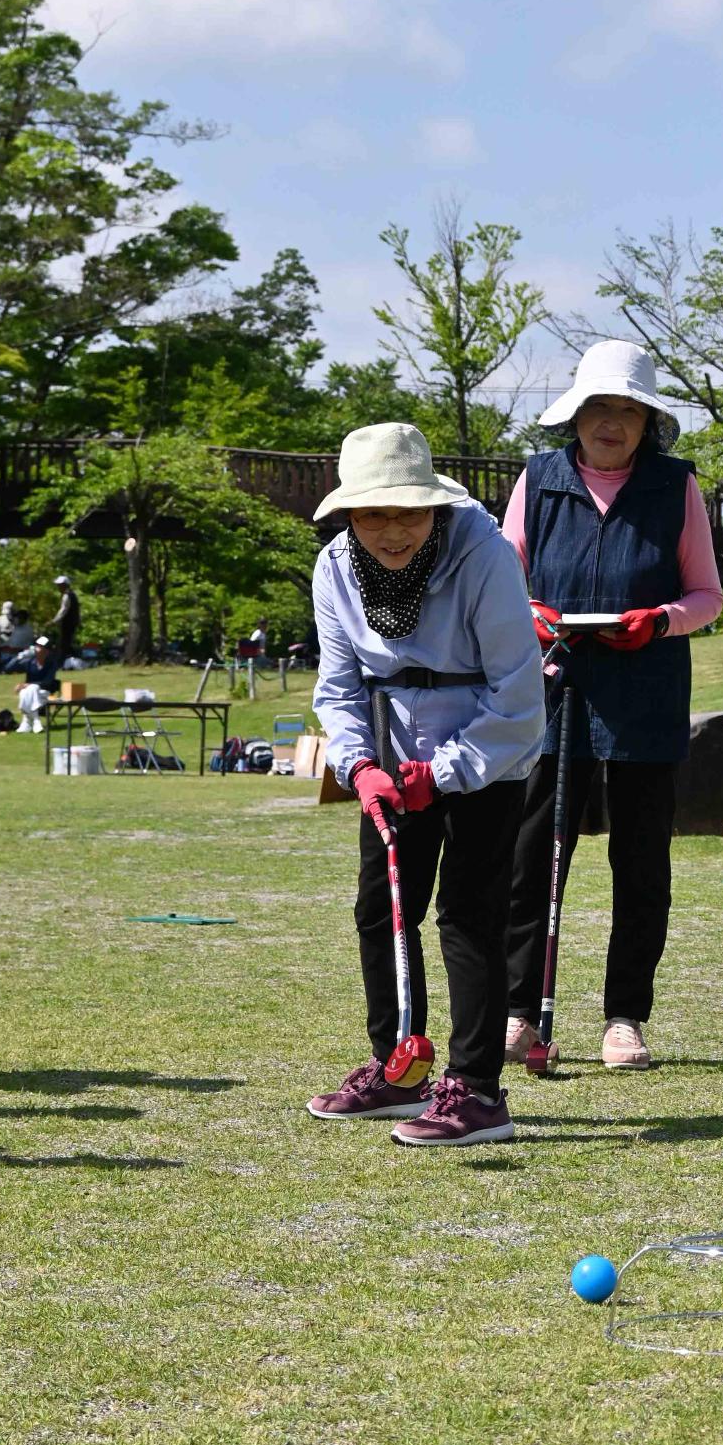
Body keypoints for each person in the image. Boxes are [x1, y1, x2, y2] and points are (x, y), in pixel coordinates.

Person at [305, 422, 545, 1147]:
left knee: (468, 916)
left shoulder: (484, 553)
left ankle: (477, 1091)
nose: (392, 529)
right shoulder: (335, 568)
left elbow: (518, 696)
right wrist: (359, 765)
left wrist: (440, 774)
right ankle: (398, 1067)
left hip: (487, 757)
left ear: (435, 508)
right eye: (373, 512)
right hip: (391, 759)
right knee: (382, 911)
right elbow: (339, 686)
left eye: (407, 511)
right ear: (348, 513)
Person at [500, 339, 723, 1072]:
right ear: (576, 416)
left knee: (641, 864)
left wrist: (658, 621)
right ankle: (519, 1011)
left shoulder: (676, 486)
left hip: (646, 691)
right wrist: (527, 613)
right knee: (532, 858)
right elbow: (507, 578)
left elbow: (705, 597)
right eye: (600, 407)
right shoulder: (538, 480)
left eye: (628, 410)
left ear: (646, 421)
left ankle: (625, 1018)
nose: (612, 422)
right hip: (551, 688)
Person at [14, 634, 59, 731]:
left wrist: (28, 685)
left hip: (45, 692)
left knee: (32, 688)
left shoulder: (52, 663)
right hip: (32, 693)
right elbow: (9, 669)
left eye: (40, 646)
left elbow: (48, 682)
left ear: (46, 651)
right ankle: (35, 721)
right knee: (24, 691)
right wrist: (18, 657)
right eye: (37, 646)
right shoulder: (30, 662)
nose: (37, 648)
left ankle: (27, 721)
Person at [49, 576, 81, 661]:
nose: (58, 587)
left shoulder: (67, 595)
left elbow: (63, 610)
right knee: (67, 642)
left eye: (60, 585)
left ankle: (64, 660)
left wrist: (54, 621)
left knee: (64, 643)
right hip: (72, 623)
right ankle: (69, 659)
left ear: (65, 585)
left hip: (67, 623)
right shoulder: (72, 594)